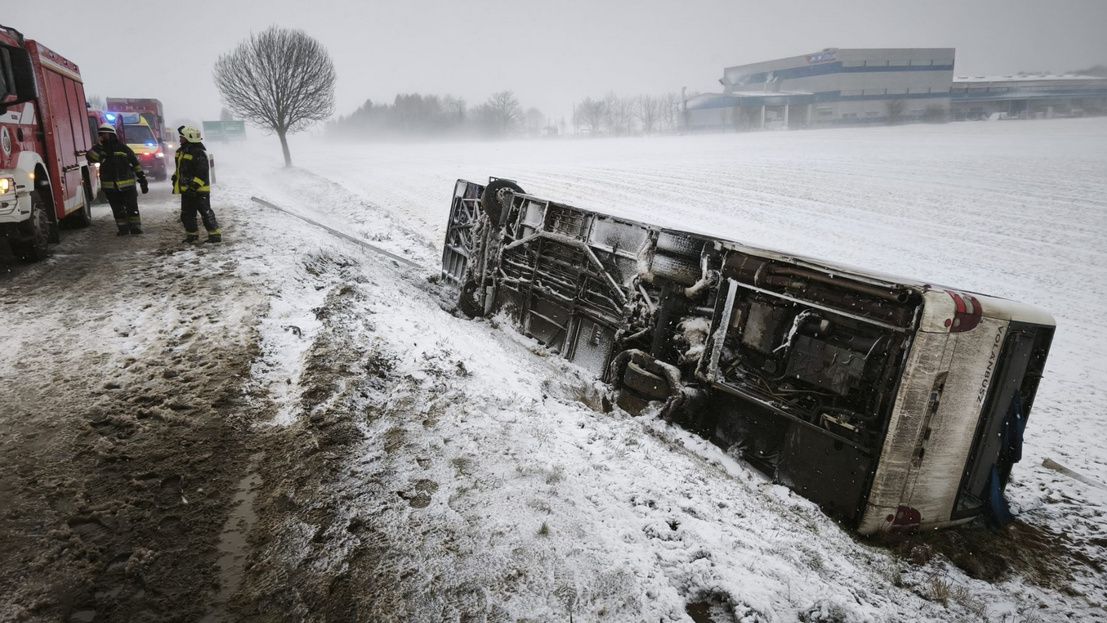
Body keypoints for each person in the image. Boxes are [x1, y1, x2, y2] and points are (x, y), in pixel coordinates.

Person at [87, 123, 148, 235]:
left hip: (128, 187)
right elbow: (90, 157)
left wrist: (143, 180)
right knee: (117, 210)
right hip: (110, 188)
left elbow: (136, 165)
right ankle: (123, 229)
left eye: (104, 134)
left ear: (111, 135)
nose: (102, 136)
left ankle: (136, 227)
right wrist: (98, 145)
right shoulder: (100, 150)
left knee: (132, 207)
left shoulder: (124, 149)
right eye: (100, 134)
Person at [172, 126, 221, 243]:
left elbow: (202, 173)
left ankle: (215, 236)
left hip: (199, 190)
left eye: (182, 137)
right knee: (187, 215)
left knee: (206, 213)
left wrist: (193, 187)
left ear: (189, 138)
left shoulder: (198, 153)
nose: (180, 139)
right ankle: (192, 236)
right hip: (187, 190)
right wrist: (175, 177)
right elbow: (180, 169)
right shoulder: (181, 151)